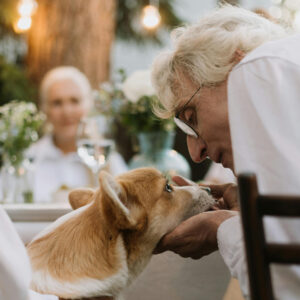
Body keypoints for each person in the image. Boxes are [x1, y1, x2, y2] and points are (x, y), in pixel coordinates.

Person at [151, 5, 300, 299]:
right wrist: (251, 216)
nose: (195, 153)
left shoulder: (257, 69)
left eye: (191, 118)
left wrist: (222, 228)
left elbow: (285, 279)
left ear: (235, 64)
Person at [27, 66, 127, 203]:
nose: (66, 111)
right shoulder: (28, 159)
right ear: (45, 109)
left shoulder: (109, 160)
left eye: (74, 101)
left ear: (88, 105)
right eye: (57, 103)